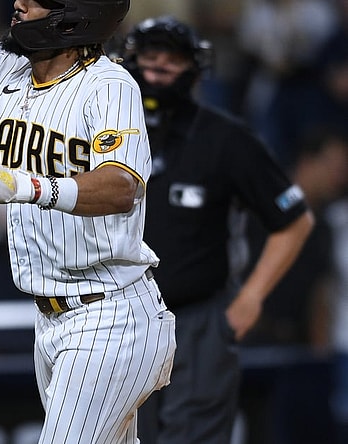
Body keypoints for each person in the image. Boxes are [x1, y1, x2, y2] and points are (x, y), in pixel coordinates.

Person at [0, 0, 177, 442]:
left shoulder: (109, 84)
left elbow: (122, 187)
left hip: (111, 315)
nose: (20, 2)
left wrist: (26, 185)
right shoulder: (2, 69)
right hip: (50, 319)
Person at [119, 16, 315, 443]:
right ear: (129, 61)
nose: (159, 68)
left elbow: (295, 220)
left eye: (172, 58)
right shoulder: (100, 132)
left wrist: (251, 297)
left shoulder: (226, 139)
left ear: (194, 67)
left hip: (196, 319)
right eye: (150, 56)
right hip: (115, 320)